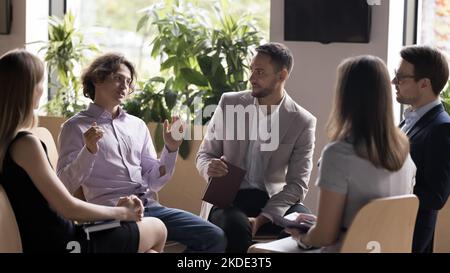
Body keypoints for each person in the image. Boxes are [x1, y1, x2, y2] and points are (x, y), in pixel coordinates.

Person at [0, 49, 167, 253]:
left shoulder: (8, 143)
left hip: (59, 239)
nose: (42, 90)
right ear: (26, 89)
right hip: (69, 244)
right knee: (158, 227)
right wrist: (123, 213)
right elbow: (69, 208)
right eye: (40, 82)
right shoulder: (26, 144)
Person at [57, 52, 226, 253]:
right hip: (111, 213)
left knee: (214, 237)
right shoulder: (74, 127)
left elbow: (154, 182)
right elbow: (64, 185)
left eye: (128, 82)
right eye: (118, 78)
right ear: (97, 79)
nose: (124, 86)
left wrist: (170, 148)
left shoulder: (136, 125)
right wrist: (89, 151)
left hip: (149, 208)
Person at [286, 55, 416, 252]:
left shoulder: (339, 155)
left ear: (344, 96)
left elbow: (325, 236)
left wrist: (304, 237)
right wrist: (323, 223)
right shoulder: (403, 149)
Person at [196, 42, 316, 253]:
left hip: (276, 199)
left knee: (306, 226)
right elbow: (205, 154)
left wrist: (262, 219)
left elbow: (297, 184)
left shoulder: (302, 121)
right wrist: (209, 167)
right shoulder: (229, 103)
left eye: (260, 72)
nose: (251, 78)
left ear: (282, 75)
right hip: (230, 198)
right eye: (251, 70)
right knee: (236, 227)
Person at [393, 45, 450, 253]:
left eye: (401, 78)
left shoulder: (442, 128)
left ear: (424, 83)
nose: (394, 83)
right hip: (393, 227)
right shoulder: (408, 120)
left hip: (412, 235)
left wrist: (390, 187)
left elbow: (436, 197)